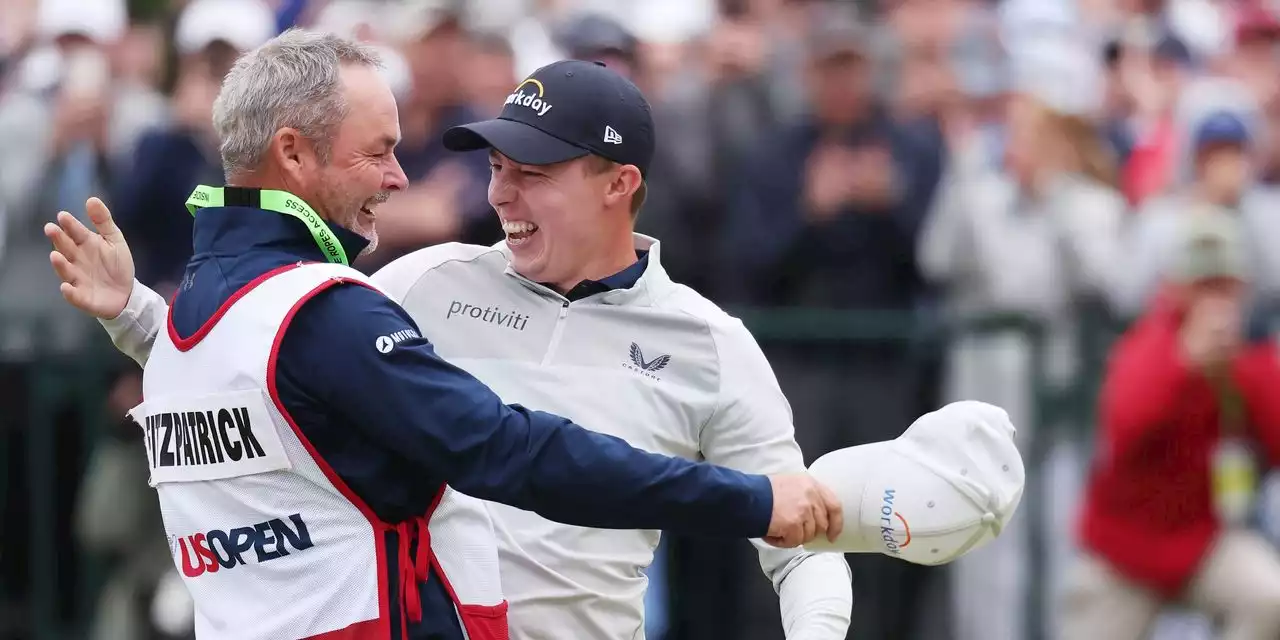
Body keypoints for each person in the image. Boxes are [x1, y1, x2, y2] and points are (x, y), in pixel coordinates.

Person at [49, 33, 1020, 640]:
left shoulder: (709, 342)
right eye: (495, 164)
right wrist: (142, 319)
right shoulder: (417, 282)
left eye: (534, 171)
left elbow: (794, 535)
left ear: (618, 184)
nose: (498, 192)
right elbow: (279, 369)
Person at [1065, 212, 1280, 639]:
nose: (1215, 300)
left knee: (1267, 596)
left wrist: (1247, 372)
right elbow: (1124, 429)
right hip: (1123, 552)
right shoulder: (1147, 345)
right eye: (1204, 286)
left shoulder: (1247, 357)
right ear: (1176, 289)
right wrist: (1184, 365)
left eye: (1224, 286)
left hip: (1200, 544)